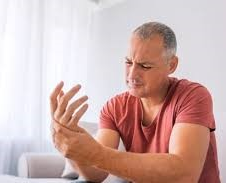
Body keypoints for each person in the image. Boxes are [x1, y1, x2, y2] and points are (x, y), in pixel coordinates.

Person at [49, 22, 220, 183]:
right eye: (128, 62)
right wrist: (71, 145)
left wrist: (96, 154)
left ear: (172, 65)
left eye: (145, 66)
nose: (131, 75)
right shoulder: (115, 107)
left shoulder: (193, 96)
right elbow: (96, 174)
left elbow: (184, 174)